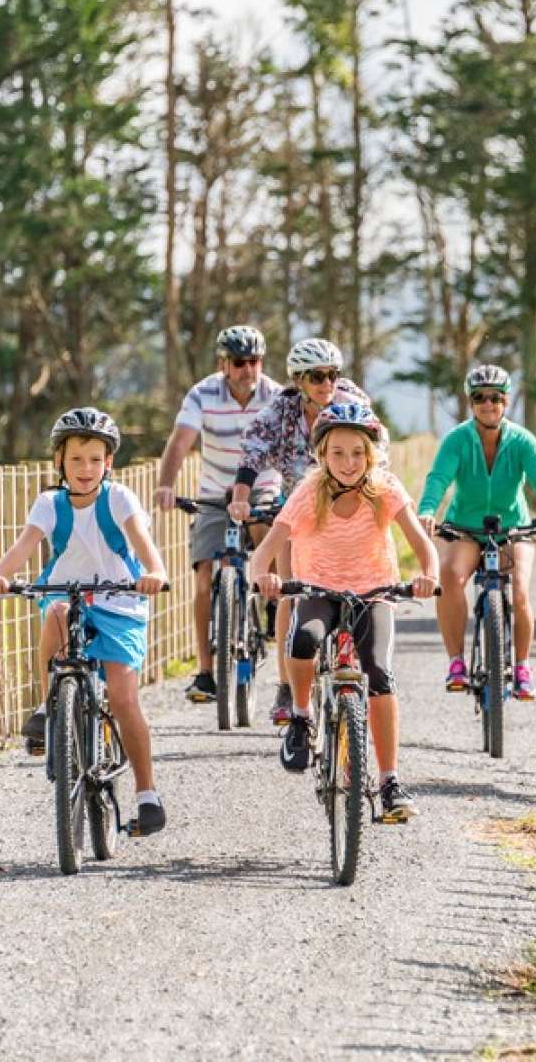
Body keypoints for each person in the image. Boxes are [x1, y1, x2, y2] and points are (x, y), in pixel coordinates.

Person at [0, 407, 171, 836]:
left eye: (95, 459)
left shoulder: (119, 498)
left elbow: (143, 541)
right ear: (59, 463)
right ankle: (51, 705)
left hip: (120, 598)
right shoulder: (49, 503)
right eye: (76, 459)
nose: (86, 469)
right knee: (58, 613)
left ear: (109, 463)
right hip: (64, 590)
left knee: (122, 697)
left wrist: (155, 573)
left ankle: (147, 794)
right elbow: (24, 546)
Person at [250, 402, 438, 821]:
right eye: (338, 453)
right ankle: (301, 717)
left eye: (357, 453)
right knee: (304, 639)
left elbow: (422, 544)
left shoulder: (385, 488)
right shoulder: (308, 491)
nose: (348, 462)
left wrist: (427, 574)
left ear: (370, 454)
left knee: (378, 673)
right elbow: (264, 551)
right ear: (322, 454)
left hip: (374, 591)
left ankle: (389, 781)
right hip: (320, 589)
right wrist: (263, 575)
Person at [229, 337, 386, 724]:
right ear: (299, 379)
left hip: (350, 507)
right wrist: (241, 495)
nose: (326, 383)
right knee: (289, 590)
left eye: (332, 374)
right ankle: (287, 685)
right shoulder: (282, 409)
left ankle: (353, 666)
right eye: (316, 376)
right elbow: (254, 450)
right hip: (299, 508)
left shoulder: (352, 401)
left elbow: (378, 449)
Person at [417, 364, 536, 702]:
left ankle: (522, 667)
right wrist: (428, 510)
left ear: (506, 401)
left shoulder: (522, 441)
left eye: (495, 397)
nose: (488, 404)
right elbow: (438, 478)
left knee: (519, 593)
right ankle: (457, 662)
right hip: (466, 528)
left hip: (513, 529)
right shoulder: (457, 440)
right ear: (470, 403)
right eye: (479, 398)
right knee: (450, 576)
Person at [152, 325, 283, 704]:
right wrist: (166, 484)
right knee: (204, 577)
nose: (248, 370)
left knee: (264, 537)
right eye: (240, 362)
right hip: (213, 492)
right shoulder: (203, 393)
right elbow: (181, 441)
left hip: (262, 486)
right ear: (224, 364)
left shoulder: (274, 395)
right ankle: (206, 672)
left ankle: (272, 600)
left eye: (254, 361)